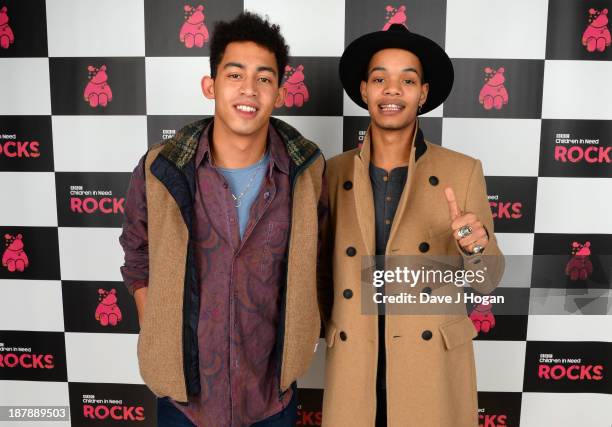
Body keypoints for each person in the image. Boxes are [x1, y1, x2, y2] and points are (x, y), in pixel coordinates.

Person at [119, 12, 327, 427]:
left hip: (271, 398)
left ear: (281, 93)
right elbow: (137, 254)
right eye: (235, 75)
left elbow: (319, 262)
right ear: (210, 86)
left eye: (264, 78)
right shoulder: (162, 169)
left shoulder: (307, 170)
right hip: (185, 403)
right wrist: (160, 326)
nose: (249, 89)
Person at [318, 24, 505, 426]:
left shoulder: (463, 170)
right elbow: (316, 271)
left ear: (422, 94)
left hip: (429, 367)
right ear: (364, 90)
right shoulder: (332, 173)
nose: (392, 89)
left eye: (407, 80)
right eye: (380, 78)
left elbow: (487, 281)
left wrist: (475, 245)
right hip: (357, 365)